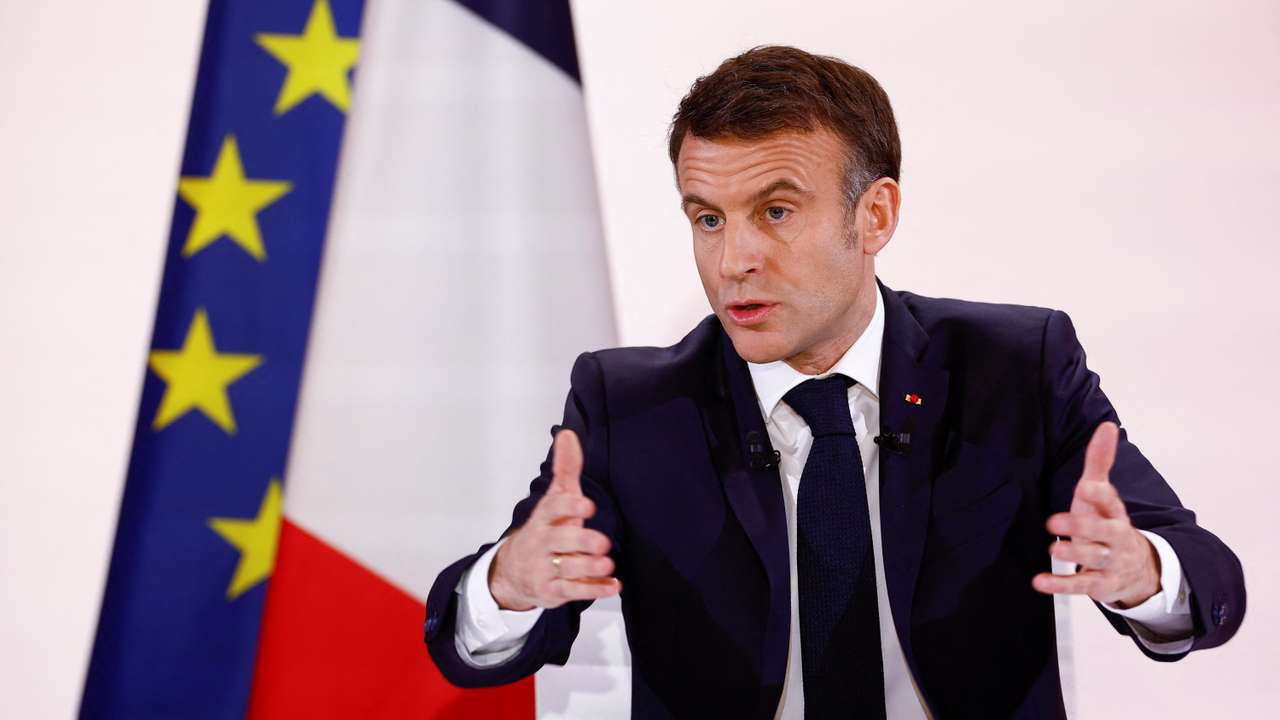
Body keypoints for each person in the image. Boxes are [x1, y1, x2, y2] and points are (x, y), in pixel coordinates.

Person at [422, 45, 1245, 719]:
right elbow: (468, 650)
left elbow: (1211, 580)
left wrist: (1143, 570)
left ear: (875, 216)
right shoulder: (631, 407)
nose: (732, 258)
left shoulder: (1013, 367)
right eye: (707, 217)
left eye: (775, 211)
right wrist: (507, 584)